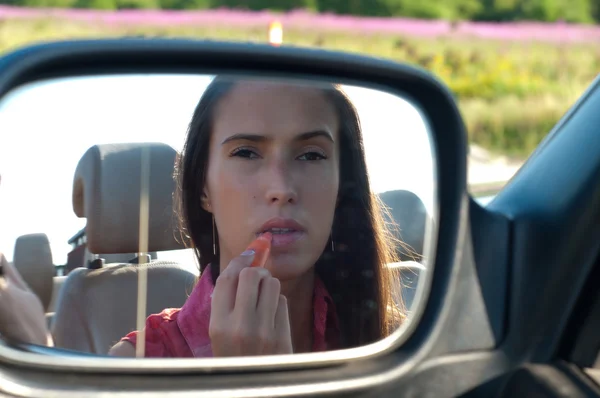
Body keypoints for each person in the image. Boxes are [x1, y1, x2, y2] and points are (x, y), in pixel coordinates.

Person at [0, 77, 405, 358]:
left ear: (342, 188)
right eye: (246, 152)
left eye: (311, 154)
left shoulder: (400, 341)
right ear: (203, 189)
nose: (281, 187)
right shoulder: (140, 365)